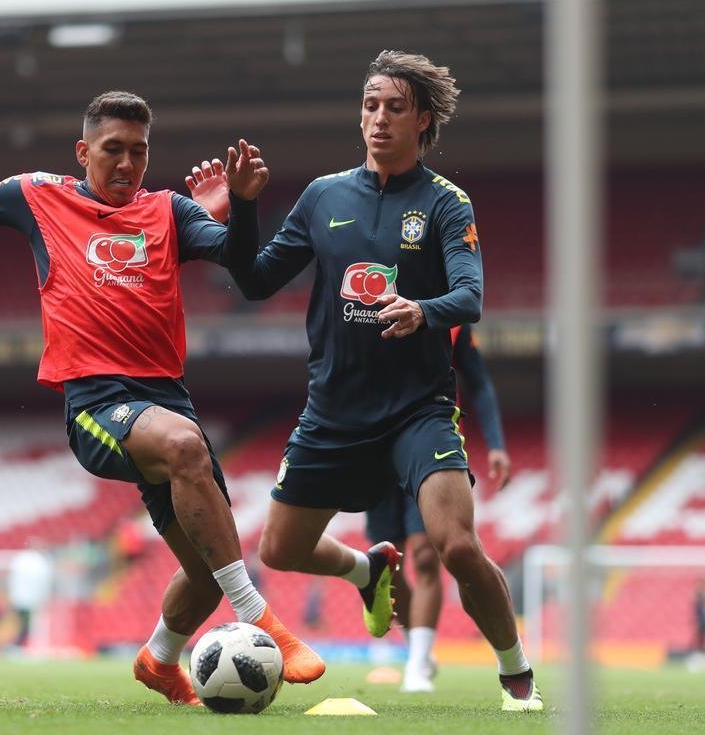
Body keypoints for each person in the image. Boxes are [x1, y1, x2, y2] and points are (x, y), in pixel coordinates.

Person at [0, 91, 325, 705]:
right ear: (83, 151)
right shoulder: (38, 196)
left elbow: (244, 267)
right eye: (113, 150)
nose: (127, 164)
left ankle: (159, 661)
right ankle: (263, 619)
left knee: (207, 572)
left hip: (166, 403)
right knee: (186, 448)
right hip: (97, 405)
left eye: (139, 151)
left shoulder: (170, 211)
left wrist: (243, 205)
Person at [190, 51, 543, 711]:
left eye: (394, 107)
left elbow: (469, 297)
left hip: (418, 409)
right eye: (370, 105)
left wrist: (422, 310)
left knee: (456, 546)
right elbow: (256, 280)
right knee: (279, 549)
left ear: (422, 120)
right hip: (334, 410)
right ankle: (368, 566)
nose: (378, 118)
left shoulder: (445, 203)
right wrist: (241, 208)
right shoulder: (323, 196)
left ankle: (515, 673)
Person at [364, 322, 512, 692]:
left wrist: (496, 444)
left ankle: (417, 663)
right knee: (385, 564)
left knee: (427, 556)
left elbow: (478, 380)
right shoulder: (363, 308)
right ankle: (417, 650)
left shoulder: (451, 317)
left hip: (429, 446)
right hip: (373, 446)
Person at [6, 542, 53, 651]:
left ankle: (18, 645)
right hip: (32, 600)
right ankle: (19, 646)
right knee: (26, 624)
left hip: (20, 598)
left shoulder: (20, 559)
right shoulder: (40, 561)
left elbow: (12, 579)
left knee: (22, 624)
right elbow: (44, 582)